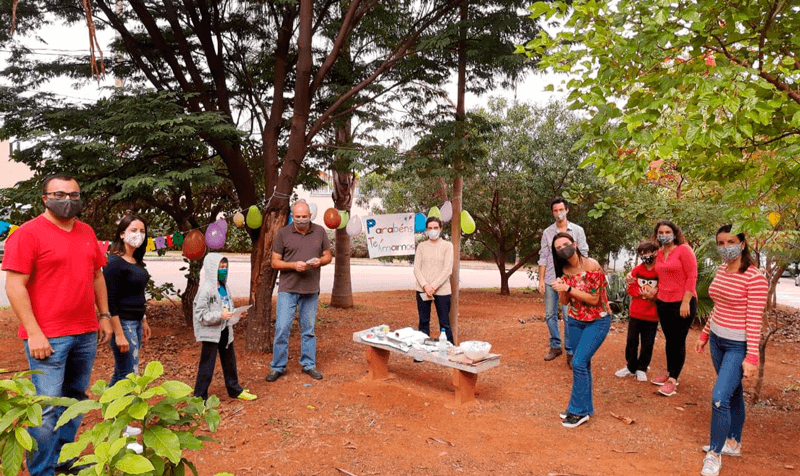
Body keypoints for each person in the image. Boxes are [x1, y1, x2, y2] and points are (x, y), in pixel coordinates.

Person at [2, 173, 120, 476]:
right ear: (45, 198)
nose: (68, 201)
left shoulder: (86, 232)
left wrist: (104, 316)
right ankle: (42, 470)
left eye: (74, 195)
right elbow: (15, 286)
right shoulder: (27, 234)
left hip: (85, 333)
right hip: (48, 338)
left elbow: (97, 276)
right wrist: (35, 332)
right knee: (47, 408)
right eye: (60, 194)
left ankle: (62, 458)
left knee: (75, 401)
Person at [695, 225, 768, 476]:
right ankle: (733, 443)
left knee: (719, 397)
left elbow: (754, 319)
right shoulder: (721, 270)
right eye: (721, 243)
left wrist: (752, 357)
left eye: (731, 242)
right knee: (733, 394)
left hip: (738, 346)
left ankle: (714, 453)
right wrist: (705, 334)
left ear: (743, 244)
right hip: (717, 340)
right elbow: (718, 306)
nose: (726, 247)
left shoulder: (755, 277)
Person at [266, 201, 332, 382]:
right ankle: (278, 366)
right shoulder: (283, 233)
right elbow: (275, 262)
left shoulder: (319, 231)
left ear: (310, 215)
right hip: (288, 289)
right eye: (298, 217)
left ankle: (308, 365)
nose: (301, 220)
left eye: (304, 217)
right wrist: (294, 265)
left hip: (311, 289)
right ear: (292, 216)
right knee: (282, 328)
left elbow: (328, 255)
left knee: (308, 330)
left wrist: (320, 261)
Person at [550, 232, 610, 428]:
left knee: (578, 363)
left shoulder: (591, 265)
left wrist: (568, 288)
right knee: (583, 365)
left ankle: (577, 412)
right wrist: (561, 289)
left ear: (575, 244)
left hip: (597, 321)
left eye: (565, 245)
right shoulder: (564, 270)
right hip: (575, 321)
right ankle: (583, 407)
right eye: (558, 248)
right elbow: (565, 302)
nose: (563, 249)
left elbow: (594, 299)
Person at [193, 253, 257, 401]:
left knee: (230, 362)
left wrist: (236, 315)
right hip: (211, 333)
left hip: (225, 331)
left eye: (225, 267)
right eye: (220, 267)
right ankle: (199, 397)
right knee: (207, 365)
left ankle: (234, 389)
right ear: (211, 268)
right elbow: (201, 315)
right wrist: (219, 315)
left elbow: (228, 306)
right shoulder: (206, 290)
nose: (223, 269)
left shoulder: (224, 286)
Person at [538, 197, 589, 367]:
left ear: (567, 210)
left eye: (561, 210)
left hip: (570, 280)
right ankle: (555, 346)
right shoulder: (547, 233)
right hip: (551, 279)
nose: (559, 213)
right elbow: (543, 257)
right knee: (550, 315)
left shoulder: (578, 231)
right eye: (555, 210)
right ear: (552, 212)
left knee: (569, 316)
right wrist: (540, 280)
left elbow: (584, 254)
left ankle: (570, 351)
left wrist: (582, 277)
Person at [651, 220, 698, 397]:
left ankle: (673, 380)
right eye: (660, 232)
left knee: (678, 340)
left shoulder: (684, 249)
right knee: (670, 339)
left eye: (667, 231)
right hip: (663, 302)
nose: (664, 235)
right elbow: (658, 276)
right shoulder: (659, 253)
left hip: (682, 302)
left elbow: (692, 275)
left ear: (675, 233)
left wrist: (686, 301)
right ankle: (670, 372)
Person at [104, 215, 152, 386]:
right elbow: (110, 301)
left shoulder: (136, 262)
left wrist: (144, 320)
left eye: (142, 231)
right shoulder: (115, 263)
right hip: (124, 324)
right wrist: (119, 334)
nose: (138, 234)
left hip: (136, 322)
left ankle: (110, 408)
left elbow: (138, 294)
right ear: (122, 234)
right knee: (129, 373)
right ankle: (124, 410)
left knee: (123, 370)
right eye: (133, 230)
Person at [615, 240, 660, 382]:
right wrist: (643, 294)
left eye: (647, 253)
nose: (644, 256)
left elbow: (664, 290)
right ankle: (630, 366)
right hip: (635, 313)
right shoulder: (636, 270)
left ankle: (642, 368)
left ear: (655, 253)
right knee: (631, 340)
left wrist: (653, 296)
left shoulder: (660, 271)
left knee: (648, 342)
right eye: (641, 254)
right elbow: (631, 288)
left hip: (652, 315)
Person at [413, 216, 454, 344]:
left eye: (435, 228)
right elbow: (416, 268)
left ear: (441, 229)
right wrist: (425, 286)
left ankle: (450, 351)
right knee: (423, 322)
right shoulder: (421, 246)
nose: (433, 230)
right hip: (422, 289)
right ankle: (421, 353)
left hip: (442, 290)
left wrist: (433, 286)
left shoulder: (447, 246)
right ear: (426, 230)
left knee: (444, 323)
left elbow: (448, 269)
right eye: (430, 228)